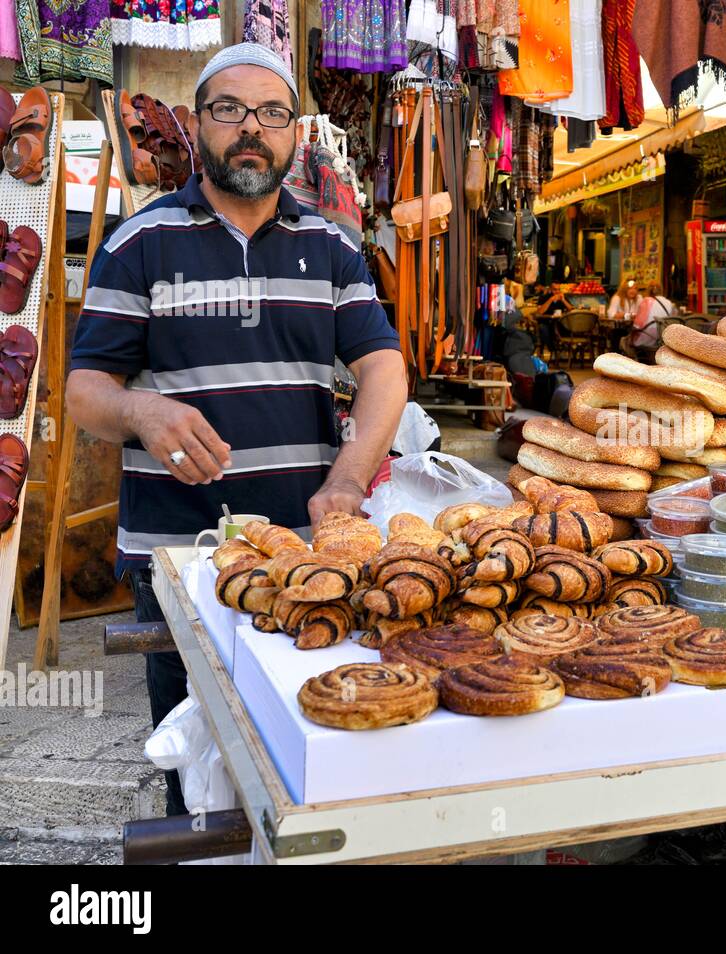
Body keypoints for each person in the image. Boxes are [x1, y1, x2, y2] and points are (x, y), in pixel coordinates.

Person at [66, 43, 406, 816]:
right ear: (197, 124)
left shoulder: (332, 246)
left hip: (304, 556)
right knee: (197, 771)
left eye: (272, 114)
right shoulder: (139, 242)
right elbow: (85, 389)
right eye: (229, 110)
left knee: (308, 748)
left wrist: (349, 478)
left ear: (295, 133)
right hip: (179, 563)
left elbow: (384, 370)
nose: (251, 129)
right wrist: (142, 412)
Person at [623, 283, 675, 359]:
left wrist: (632, 330)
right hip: (661, 339)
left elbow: (638, 325)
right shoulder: (669, 303)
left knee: (624, 340)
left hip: (647, 338)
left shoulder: (647, 301)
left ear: (648, 291)